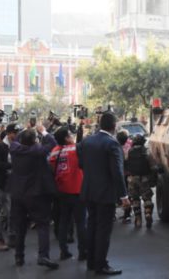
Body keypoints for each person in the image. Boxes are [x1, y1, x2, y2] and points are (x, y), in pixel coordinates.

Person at [78, 112, 129, 276]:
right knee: (103, 230)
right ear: (114, 126)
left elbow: (81, 164)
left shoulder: (87, 141)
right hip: (105, 193)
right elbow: (117, 172)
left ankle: (91, 262)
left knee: (92, 226)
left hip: (89, 190)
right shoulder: (112, 144)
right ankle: (101, 264)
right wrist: (123, 195)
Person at [9, 127, 59, 269]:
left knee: (20, 227)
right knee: (43, 225)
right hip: (36, 194)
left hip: (18, 193)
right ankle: (43, 256)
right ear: (34, 140)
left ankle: (19, 257)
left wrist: (26, 129)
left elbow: (17, 139)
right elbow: (53, 142)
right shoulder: (38, 151)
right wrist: (43, 131)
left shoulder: (14, 149)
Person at [49, 126, 87, 261]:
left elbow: (52, 169)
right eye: (70, 134)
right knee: (81, 223)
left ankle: (63, 251)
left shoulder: (54, 151)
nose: (72, 136)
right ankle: (83, 252)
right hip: (77, 190)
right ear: (66, 137)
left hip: (61, 191)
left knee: (63, 221)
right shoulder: (77, 149)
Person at [0, 125, 18, 251]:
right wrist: (10, 165)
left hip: (13, 183)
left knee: (13, 212)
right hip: (4, 184)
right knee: (5, 212)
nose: (15, 135)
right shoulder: (1, 147)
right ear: (8, 133)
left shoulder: (16, 145)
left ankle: (12, 237)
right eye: (13, 133)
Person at [124, 134, 154, 228]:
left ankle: (138, 219)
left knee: (135, 199)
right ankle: (148, 213)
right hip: (144, 178)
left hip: (132, 179)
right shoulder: (146, 151)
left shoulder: (130, 151)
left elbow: (126, 163)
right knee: (147, 198)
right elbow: (152, 165)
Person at [116, 130, 132, 224]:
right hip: (128, 174)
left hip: (119, 174)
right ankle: (127, 215)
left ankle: (115, 215)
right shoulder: (130, 144)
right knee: (127, 194)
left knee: (120, 194)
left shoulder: (115, 146)